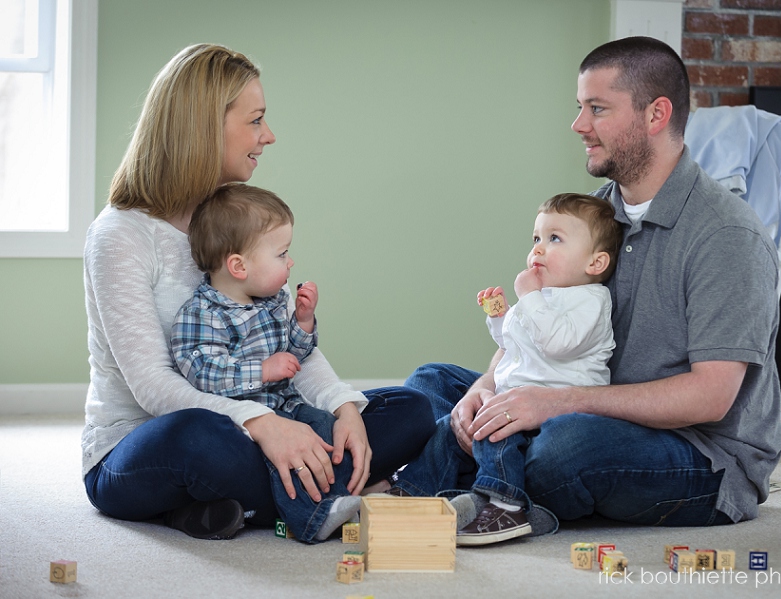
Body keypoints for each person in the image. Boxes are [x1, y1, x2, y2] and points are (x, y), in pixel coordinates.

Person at [403, 36, 781, 531]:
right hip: (583, 397)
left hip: (700, 453)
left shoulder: (725, 234)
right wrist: (487, 385)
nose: (579, 126)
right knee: (433, 384)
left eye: (598, 109)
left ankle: (466, 475)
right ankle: (483, 474)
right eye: (580, 107)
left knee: (566, 447)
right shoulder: (593, 214)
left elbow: (709, 397)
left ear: (656, 114)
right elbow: (537, 320)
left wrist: (553, 404)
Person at [82, 44, 434, 542]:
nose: (268, 136)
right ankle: (345, 492)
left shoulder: (241, 222)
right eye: (256, 121)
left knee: (412, 409)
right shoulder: (121, 235)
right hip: (146, 444)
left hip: (268, 418)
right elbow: (153, 387)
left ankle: (233, 505)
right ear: (205, 126)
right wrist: (262, 423)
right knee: (201, 436)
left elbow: (288, 347)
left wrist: (344, 409)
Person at [171, 183, 428, 542]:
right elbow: (202, 372)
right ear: (238, 266)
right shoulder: (202, 314)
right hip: (245, 423)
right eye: (281, 254)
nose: (290, 262)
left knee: (325, 426)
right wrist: (262, 371)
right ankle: (313, 520)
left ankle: (338, 497)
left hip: (290, 406)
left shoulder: (272, 300)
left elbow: (297, 355)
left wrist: (303, 322)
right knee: (263, 454)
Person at [391, 193, 622, 545]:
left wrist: (527, 298)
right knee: (448, 427)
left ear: (595, 262)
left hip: (555, 410)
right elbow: (512, 344)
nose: (539, 249)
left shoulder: (590, 301)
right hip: (512, 395)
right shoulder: (543, 296)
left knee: (497, 433)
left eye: (554, 239)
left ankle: (505, 503)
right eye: (536, 239)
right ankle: (410, 492)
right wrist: (499, 317)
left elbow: (558, 342)